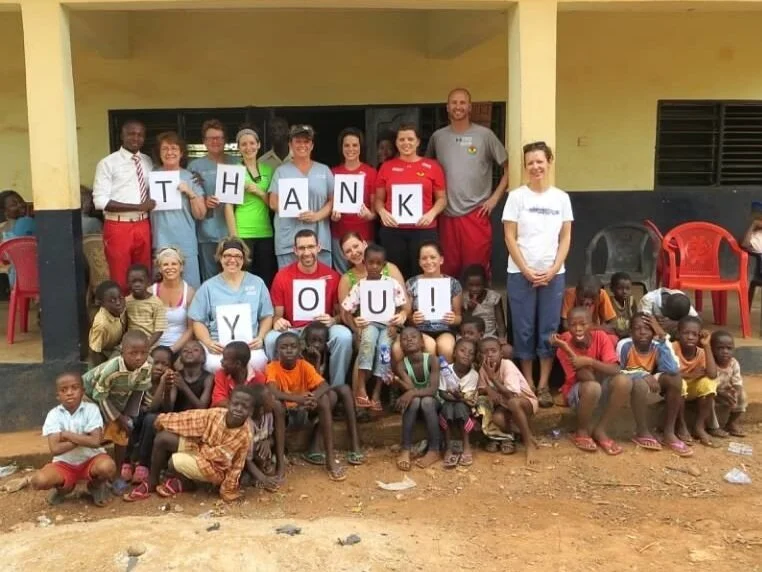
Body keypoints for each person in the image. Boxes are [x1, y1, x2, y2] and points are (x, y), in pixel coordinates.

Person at [502, 142, 573, 409]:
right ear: (525, 166)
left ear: (549, 162)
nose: (535, 167)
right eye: (530, 162)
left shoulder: (561, 198)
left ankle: (544, 385)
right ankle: (527, 383)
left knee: (548, 329)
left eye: (540, 161)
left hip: (553, 275)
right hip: (520, 274)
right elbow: (509, 236)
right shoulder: (516, 197)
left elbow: (566, 237)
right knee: (523, 329)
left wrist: (553, 269)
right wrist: (526, 270)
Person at [426, 88, 509, 278]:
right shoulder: (438, 137)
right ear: (447, 107)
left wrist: (495, 199)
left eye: (462, 102)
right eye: (454, 102)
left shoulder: (485, 135)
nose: (458, 106)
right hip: (446, 213)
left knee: (476, 269)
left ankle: (478, 308)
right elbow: (425, 170)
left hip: (476, 212)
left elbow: (508, 168)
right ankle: (450, 307)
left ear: (470, 107)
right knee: (446, 268)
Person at [267, 332, 364, 481]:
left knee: (324, 398)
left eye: (293, 347)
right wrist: (299, 399)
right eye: (284, 347)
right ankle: (280, 466)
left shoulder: (304, 365)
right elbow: (273, 391)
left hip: (304, 411)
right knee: (276, 404)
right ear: (277, 351)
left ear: (300, 349)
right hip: (286, 415)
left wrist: (313, 397)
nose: (289, 350)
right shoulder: (272, 367)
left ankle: (330, 460)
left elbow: (323, 385)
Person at [123, 342, 214, 499]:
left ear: (204, 357)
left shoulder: (208, 378)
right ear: (179, 358)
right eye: (185, 350)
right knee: (150, 418)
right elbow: (168, 407)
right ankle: (145, 470)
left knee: (152, 419)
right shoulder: (175, 374)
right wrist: (166, 386)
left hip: (197, 426)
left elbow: (202, 407)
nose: (190, 351)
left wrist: (183, 387)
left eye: (195, 349)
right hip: (176, 423)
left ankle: (156, 472)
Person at [265, 230, 353, 387]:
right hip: (293, 329)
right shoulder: (282, 276)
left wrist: (333, 320)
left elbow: (340, 314)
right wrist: (278, 321)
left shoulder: (332, 276)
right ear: (295, 250)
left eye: (311, 247)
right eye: (302, 248)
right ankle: (281, 388)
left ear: (319, 247)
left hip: (321, 329)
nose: (307, 252)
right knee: (271, 339)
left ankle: (336, 387)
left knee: (344, 336)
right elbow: (276, 315)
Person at [138, 386, 256, 502]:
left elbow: (227, 460)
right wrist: (162, 420)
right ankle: (153, 480)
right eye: (236, 404)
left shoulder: (244, 434)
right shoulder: (217, 414)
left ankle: (187, 484)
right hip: (201, 449)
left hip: (217, 468)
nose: (239, 409)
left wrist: (228, 490)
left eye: (244, 407)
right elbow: (189, 420)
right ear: (229, 403)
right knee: (162, 438)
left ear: (251, 411)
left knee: (174, 461)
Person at [551, 307, 630, 455]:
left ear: (592, 324)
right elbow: (587, 378)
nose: (578, 329)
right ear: (567, 325)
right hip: (579, 392)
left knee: (624, 382)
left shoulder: (600, 336)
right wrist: (568, 349)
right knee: (593, 387)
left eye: (583, 324)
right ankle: (582, 431)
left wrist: (590, 362)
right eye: (573, 325)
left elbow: (615, 369)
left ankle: (601, 429)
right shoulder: (564, 345)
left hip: (600, 385)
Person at [31, 372, 117, 507]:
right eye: (64, 390)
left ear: (82, 391)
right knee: (38, 481)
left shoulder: (91, 410)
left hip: (92, 459)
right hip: (65, 463)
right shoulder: (53, 415)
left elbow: (95, 443)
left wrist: (67, 435)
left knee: (107, 467)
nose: (69, 393)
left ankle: (96, 485)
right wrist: (84, 437)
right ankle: (65, 488)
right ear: (58, 395)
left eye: (74, 388)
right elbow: (55, 449)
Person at [188, 237, 273, 373]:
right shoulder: (208, 287)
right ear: (220, 258)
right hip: (220, 346)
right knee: (214, 365)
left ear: (244, 259)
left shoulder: (257, 283)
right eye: (227, 255)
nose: (232, 260)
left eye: (237, 256)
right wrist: (209, 342)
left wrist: (261, 337)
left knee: (258, 362)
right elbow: (197, 321)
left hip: (249, 345)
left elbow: (266, 315)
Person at [82, 330, 153, 491]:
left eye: (143, 353)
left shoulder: (146, 367)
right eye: (133, 353)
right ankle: (93, 475)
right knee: (93, 432)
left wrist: (128, 417)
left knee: (121, 432)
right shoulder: (112, 369)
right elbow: (99, 395)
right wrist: (119, 418)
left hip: (114, 399)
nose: (138, 357)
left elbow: (138, 392)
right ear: (122, 352)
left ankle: (118, 475)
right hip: (89, 397)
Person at [375, 124, 447, 280]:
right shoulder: (386, 167)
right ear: (396, 142)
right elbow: (378, 200)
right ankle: (401, 304)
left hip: (423, 228)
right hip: (393, 229)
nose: (406, 143)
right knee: (394, 273)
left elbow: (442, 199)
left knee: (425, 271)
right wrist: (382, 212)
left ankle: (422, 305)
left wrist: (432, 213)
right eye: (401, 139)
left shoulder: (432, 167)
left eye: (410, 139)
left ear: (418, 142)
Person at [341, 243, 407, 410]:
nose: (374, 266)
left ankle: (377, 391)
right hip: (369, 324)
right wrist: (356, 327)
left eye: (379, 263)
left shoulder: (392, 284)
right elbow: (347, 310)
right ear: (365, 262)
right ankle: (362, 387)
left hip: (388, 327)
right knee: (368, 342)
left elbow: (400, 307)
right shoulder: (360, 285)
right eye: (371, 262)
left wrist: (396, 325)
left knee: (384, 349)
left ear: (384, 265)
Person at [92, 119, 155, 292]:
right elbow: (100, 202)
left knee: (144, 274)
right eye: (131, 134)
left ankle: (141, 315)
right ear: (122, 135)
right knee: (121, 276)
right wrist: (138, 207)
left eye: (140, 134)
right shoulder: (107, 163)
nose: (136, 138)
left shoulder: (147, 161)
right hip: (118, 226)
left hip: (143, 224)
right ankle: (122, 317)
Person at [615, 313, 690, 456]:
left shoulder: (657, 345)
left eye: (648, 328)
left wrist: (662, 337)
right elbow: (617, 371)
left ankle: (669, 432)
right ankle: (642, 431)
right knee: (640, 384)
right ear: (631, 332)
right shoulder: (624, 345)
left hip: (649, 386)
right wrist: (642, 374)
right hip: (628, 387)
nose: (642, 332)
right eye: (637, 328)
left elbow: (672, 369)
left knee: (675, 379)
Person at [269, 125, 334, 269]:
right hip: (288, 241)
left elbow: (333, 200)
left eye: (306, 141)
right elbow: (273, 202)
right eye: (298, 141)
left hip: (319, 241)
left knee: (321, 283)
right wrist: (293, 211)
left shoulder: (324, 170)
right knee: (289, 284)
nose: (302, 145)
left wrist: (317, 216)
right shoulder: (281, 171)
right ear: (290, 144)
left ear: (312, 145)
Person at [150, 131, 207, 289]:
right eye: (165, 149)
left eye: (174, 148)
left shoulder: (190, 177)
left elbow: (201, 214)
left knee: (191, 290)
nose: (170, 152)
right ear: (159, 153)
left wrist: (190, 193)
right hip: (161, 243)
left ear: (181, 152)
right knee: (161, 291)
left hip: (186, 243)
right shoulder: (151, 177)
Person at [188, 119, 241, 282]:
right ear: (204, 141)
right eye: (211, 138)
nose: (215, 141)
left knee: (234, 274)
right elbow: (190, 198)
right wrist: (204, 201)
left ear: (225, 140)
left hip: (233, 229)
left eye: (219, 137)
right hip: (207, 231)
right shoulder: (195, 166)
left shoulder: (236, 163)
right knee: (211, 277)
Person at [223, 127, 277, 288]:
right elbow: (228, 206)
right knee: (243, 277)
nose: (249, 148)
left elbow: (274, 204)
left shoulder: (269, 170)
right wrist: (234, 238)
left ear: (259, 145)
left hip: (265, 232)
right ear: (239, 148)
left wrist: (259, 192)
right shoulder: (233, 172)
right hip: (243, 232)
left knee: (265, 277)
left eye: (252, 143)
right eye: (244, 144)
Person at [478, 336, 539, 464]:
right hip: (505, 405)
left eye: (493, 351)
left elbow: (511, 395)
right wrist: (489, 390)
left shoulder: (507, 365)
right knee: (497, 419)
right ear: (480, 355)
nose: (490, 355)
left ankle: (529, 444)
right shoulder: (483, 368)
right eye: (485, 352)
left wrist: (493, 378)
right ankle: (523, 433)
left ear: (501, 353)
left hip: (524, 401)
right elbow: (481, 388)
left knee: (512, 403)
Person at [400, 242, 462, 362]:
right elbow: (407, 316)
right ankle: (429, 380)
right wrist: (413, 318)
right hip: (420, 329)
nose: (428, 261)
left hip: (444, 328)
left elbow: (459, 317)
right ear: (419, 262)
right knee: (429, 347)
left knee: (446, 348)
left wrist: (453, 319)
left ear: (441, 260)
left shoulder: (453, 283)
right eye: (424, 258)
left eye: (433, 257)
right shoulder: (411, 283)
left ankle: (446, 379)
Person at [394, 327, 441, 471]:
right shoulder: (401, 365)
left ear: (422, 343)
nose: (409, 340)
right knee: (414, 400)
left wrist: (411, 393)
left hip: (433, 403)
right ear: (401, 346)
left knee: (426, 401)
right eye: (404, 338)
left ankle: (434, 449)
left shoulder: (432, 360)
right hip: (414, 406)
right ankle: (405, 449)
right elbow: (409, 389)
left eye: (413, 337)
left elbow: (433, 390)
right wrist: (398, 382)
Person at [331, 128, 377, 273]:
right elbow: (329, 204)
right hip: (339, 234)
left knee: (366, 274)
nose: (351, 149)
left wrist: (370, 215)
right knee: (342, 276)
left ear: (360, 147)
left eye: (355, 145)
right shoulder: (333, 173)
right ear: (341, 148)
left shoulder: (371, 173)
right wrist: (331, 214)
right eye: (347, 145)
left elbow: (375, 210)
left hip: (364, 235)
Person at [672, 316, 718, 447]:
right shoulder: (673, 348)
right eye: (686, 333)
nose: (691, 337)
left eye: (695, 334)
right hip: (675, 390)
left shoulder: (702, 352)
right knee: (679, 382)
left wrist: (707, 345)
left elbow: (713, 374)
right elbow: (670, 373)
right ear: (678, 334)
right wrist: (692, 375)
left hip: (692, 389)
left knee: (709, 383)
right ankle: (681, 424)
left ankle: (699, 426)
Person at [439, 338, 478, 468]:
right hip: (448, 403)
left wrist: (459, 398)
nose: (466, 354)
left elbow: (468, 398)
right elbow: (442, 393)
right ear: (454, 353)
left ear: (474, 358)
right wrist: (458, 398)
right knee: (447, 408)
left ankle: (466, 446)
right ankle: (448, 448)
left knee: (460, 407)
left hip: (463, 407)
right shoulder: (445, 370)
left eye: (471, 353)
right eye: (462, 350)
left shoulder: (473, 375)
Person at [337, 232, 406, 304]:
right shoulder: (346, 279)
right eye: (348, 251)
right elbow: (344, 313)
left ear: (364, 244)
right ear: (344, 256)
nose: (354, 252)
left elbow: (406, 307)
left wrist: (403, 313)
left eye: (356, 246)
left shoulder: (390, 268)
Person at [150, 248, 195, 354]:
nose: (170, 268)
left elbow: (191, 329)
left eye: (174, 264)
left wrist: (171, 350)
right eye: (165, 264)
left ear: (181, 267)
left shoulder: (189, 293)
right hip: (154, 347)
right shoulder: (151, 291)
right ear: (160, 268)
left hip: (181, 347)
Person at [243, 384, 286, 492]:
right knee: (244, 479)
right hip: (244, 458)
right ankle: (255, 475)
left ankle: (259, 470)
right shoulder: (247, 425)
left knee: (262, 449)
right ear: (261, 409)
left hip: (256, 454)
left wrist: (267, 441)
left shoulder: (268, 416)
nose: (274, 399)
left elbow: (271, 436)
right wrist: (263, 479)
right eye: (270, 398)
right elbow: (244, 457)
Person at [709, 330, 747, 438]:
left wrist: (736, 391)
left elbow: (737, 381)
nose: (725, 351)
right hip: (713, 392)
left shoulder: (733, 363)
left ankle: (731, 423)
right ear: (712, 349)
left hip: (727, 392)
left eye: (729, 348)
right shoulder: (710, 363)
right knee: (708, 400)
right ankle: (713, 427)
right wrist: (720, 393)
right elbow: (708, 383)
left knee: (742, 395)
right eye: (720, 348)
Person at [211, 341, 266, 407]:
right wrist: (242, 408)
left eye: (225, 359)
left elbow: (259, 403)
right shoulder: (221, 374)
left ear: (238, 364)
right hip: (227, 413)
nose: (221, 361)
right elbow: (218, 401)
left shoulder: (258, 377)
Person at [125, 264, 167, 348]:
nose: (137, 284)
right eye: (133, 281)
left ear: (148, 282)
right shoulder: (126, 301)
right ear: (128, 283)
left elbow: (159, 330)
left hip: (149, 344)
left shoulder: (156, 303)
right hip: (129, 343)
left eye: (141, 281)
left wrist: (146, 346)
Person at [462, 264, 507, 340]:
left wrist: (501, 338)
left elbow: (501, 323)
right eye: (471, 285)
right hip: (470, 336)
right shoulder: (464, 298)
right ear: (466, 284)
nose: (474, 289)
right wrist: (470, 310)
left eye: (478, 285)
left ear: (485, 283)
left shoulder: (494, 297)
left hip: (490, 335)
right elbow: (462, 323)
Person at [88, 280, 126, 366]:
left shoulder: (122, 309)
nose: (118, 303)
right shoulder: (101, 324)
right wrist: (99, 371)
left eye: (120, 298)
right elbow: (94, 351)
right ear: (101, 303)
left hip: (116, 348)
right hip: (103, 354)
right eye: (112, 300)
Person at [610, 272, 638, 338]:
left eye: (628, 288)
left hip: (629, 335)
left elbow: (636, 319)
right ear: (612, 289)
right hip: (614, 335)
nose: (624, 292)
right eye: (620, 288)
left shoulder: (631, 301)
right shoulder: (609, 302)